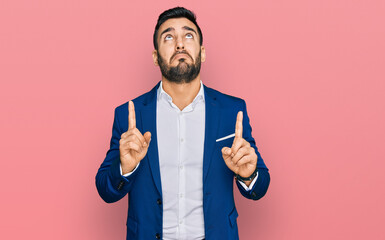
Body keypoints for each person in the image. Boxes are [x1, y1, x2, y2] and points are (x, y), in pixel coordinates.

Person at [96, 6, 270, 240]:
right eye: (168, 37)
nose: (180, 44)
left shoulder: (232, 111)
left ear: (203, 52)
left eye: (188, 35)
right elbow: (106, 190)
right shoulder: (130, 115)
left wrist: (248, 176)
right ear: (156, 57)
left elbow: (260, 186)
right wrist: (125, 167)